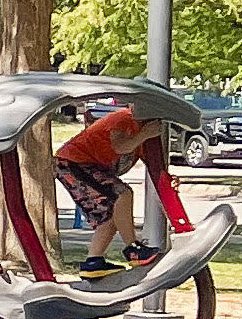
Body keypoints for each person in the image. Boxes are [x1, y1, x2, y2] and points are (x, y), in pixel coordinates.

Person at [55, 101, 168, 272]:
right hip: (73, 162)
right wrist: (143, 134)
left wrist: (167, 179)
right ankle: (133, 249)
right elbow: (120, 146)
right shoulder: (123, 118)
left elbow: (153, 164)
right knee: (122, 194)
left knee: (109, 215)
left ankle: (93, 263)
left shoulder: (146, 135)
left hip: (87, 166)